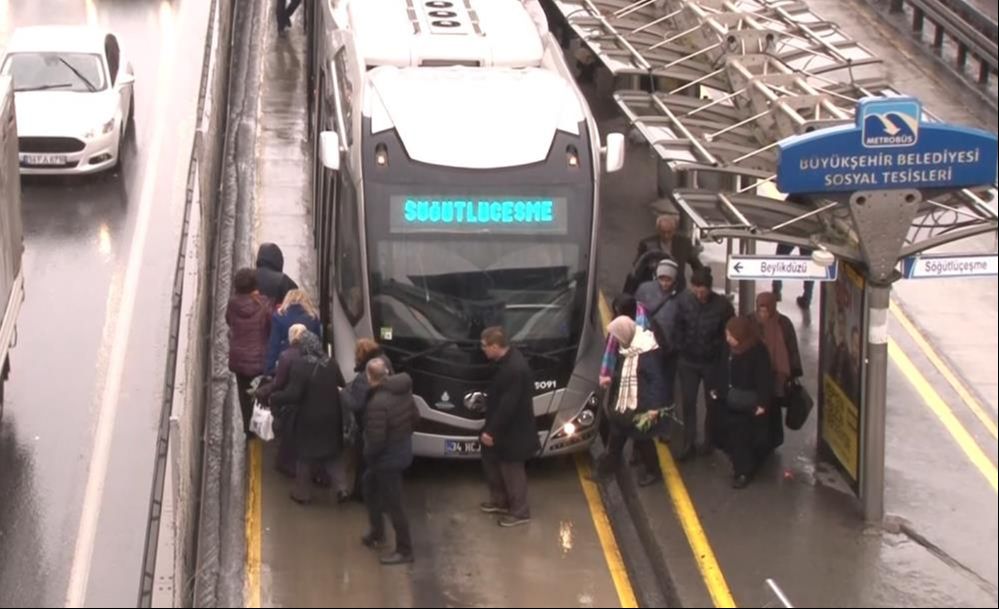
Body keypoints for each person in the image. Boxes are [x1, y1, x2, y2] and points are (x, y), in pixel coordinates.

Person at [269, 331, 347, 504]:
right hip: (332, 416)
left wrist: (276, 397)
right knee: (332, 454)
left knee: (305, 456)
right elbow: (341, 384)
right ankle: (341, 488)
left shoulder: (300, 365)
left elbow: (294, 394)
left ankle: (302, 494)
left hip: (309, 418)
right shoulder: (331, 363)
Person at [593, 316, 669, 486]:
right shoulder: (627, 348)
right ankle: (604, 471)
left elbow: (656, 380)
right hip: (625, 405)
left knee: (643, 442)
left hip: (641, 406)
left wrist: (654, 408)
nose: (616, 339)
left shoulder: (647, 353)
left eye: (617, 335)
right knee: (616, 441)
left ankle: (653, 472)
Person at [479, 326, 539, 527]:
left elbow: (508, 406)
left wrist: (491, 431)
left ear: (496, 346)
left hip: (513, 432)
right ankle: (501, 501)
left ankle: (520, 511)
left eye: (485, 346)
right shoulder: (507, 362)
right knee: (495, 464)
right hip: (505, 430)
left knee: (512, 471)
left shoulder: (514, 369)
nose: (483, 350)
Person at [362, 358, 418, 565]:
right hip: (399, 451)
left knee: (395, 505)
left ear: (370, 377)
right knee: (369, 486)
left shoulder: (378, 403)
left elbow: (376, 440)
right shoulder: (403, 391)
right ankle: (377, 532)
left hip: (386, 460)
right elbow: (415, 417)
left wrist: (368, 454)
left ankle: (405, 550)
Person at [674, 268, 734, 459]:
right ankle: (688, 442)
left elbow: (728, 334)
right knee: (688, 402)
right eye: (696, 289)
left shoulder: (722, 306)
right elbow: (678, 326)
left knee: (712, 403)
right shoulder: (684, 301)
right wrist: (681, 346)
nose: (699, 294)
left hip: (711, 363)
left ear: (709, 288)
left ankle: (709, 442)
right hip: (688, 361)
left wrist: (720, 355)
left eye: (703, 290)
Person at [712, 316, 775, 489]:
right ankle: (740, 466)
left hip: (749, 404)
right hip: (730, 400)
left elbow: (764, 379)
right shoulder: (728, 349)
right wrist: (719, 389)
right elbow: (722, 369)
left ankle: (743, 472)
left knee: (744, 437)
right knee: (732, 435)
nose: (728, 338)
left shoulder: (757, 351)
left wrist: (762, 403)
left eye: (731, 335)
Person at [341, 338, 393, 501]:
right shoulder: (385, 362)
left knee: (364, 462)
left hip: (367, 425)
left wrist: (343, 392)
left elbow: (356, 404)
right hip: (385, 422)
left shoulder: (366, 376)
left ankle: (362, 494)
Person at [752, 292, 803, 449]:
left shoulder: (784, 323)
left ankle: (774, 439)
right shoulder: (751, 321)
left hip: (777, 374)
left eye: (766, 310)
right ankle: (761, 440)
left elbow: (792, 348)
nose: (763, 314)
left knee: (774, 407)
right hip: (758, 373)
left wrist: (794, 372)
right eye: (760, 310)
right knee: (760, 406)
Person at [225, 268, 272, 436]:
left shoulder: (232, 304)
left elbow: (229, 321)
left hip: (239, 361)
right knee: (261, 395)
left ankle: (248, 430)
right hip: (260, 361)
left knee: (244, 397)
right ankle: (262, 428)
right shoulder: (264, 303)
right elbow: (270, 327)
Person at [629, 214, 703, 293]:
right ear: (658, 230)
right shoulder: (647, 244)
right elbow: (638, 265)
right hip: (654, 288)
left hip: (677, 287)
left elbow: (696, 264)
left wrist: (701, 281)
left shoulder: (684, 243)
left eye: (669, 232)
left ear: (674, 230)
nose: (666, 235)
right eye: (663, 232)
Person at [265, 289, 321, 374]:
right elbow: (317, 343)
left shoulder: (279, 317)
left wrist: (269, 368)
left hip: (286, 363)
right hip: (308, 365)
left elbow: (274, 344)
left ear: (287, 300)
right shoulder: (313, 317)